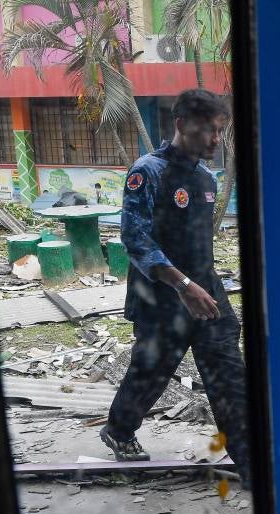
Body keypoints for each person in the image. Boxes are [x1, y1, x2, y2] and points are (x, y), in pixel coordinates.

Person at [101, 89, 250, 487]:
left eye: (220, 131)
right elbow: (135, 238)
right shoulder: (148, 171)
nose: (216, 140)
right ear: (181, 124)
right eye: (209, 130)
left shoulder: (206, 178)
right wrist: (183, 285)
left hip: (207, 290)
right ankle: (119, 429)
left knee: (229, 373)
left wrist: (202, 284)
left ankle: (251, 461)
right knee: (152, 371)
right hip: (162, 295)